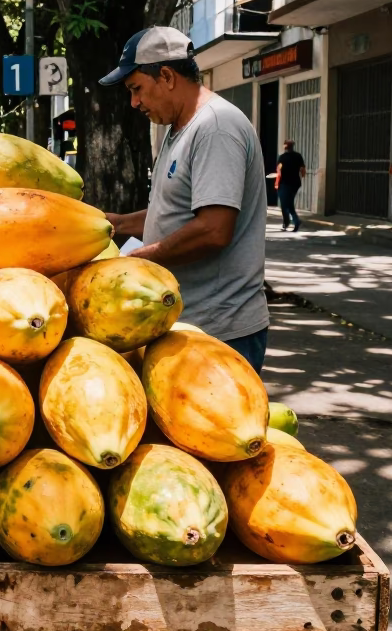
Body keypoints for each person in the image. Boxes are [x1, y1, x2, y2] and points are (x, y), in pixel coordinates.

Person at [98, 26, 269, 374]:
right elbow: (170, 214)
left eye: (136, 89)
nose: (134, 103)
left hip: (219, 333)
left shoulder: (216, 128)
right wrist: (111, 223)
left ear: (166, 76)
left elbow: (212, 230)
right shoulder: (179, 130)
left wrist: (136, 261)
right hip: (184, 324)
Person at [274, 139, 306, 232]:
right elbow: (303, 170)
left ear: (285, 146)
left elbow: (278, 171)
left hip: (284, 183)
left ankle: (294, 221)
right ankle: (288, 223)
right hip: (295, 183)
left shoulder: (282, 157)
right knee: (288, 202)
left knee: (285, 204)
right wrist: (302, 176)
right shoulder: (298, 156)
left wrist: (276, 183)